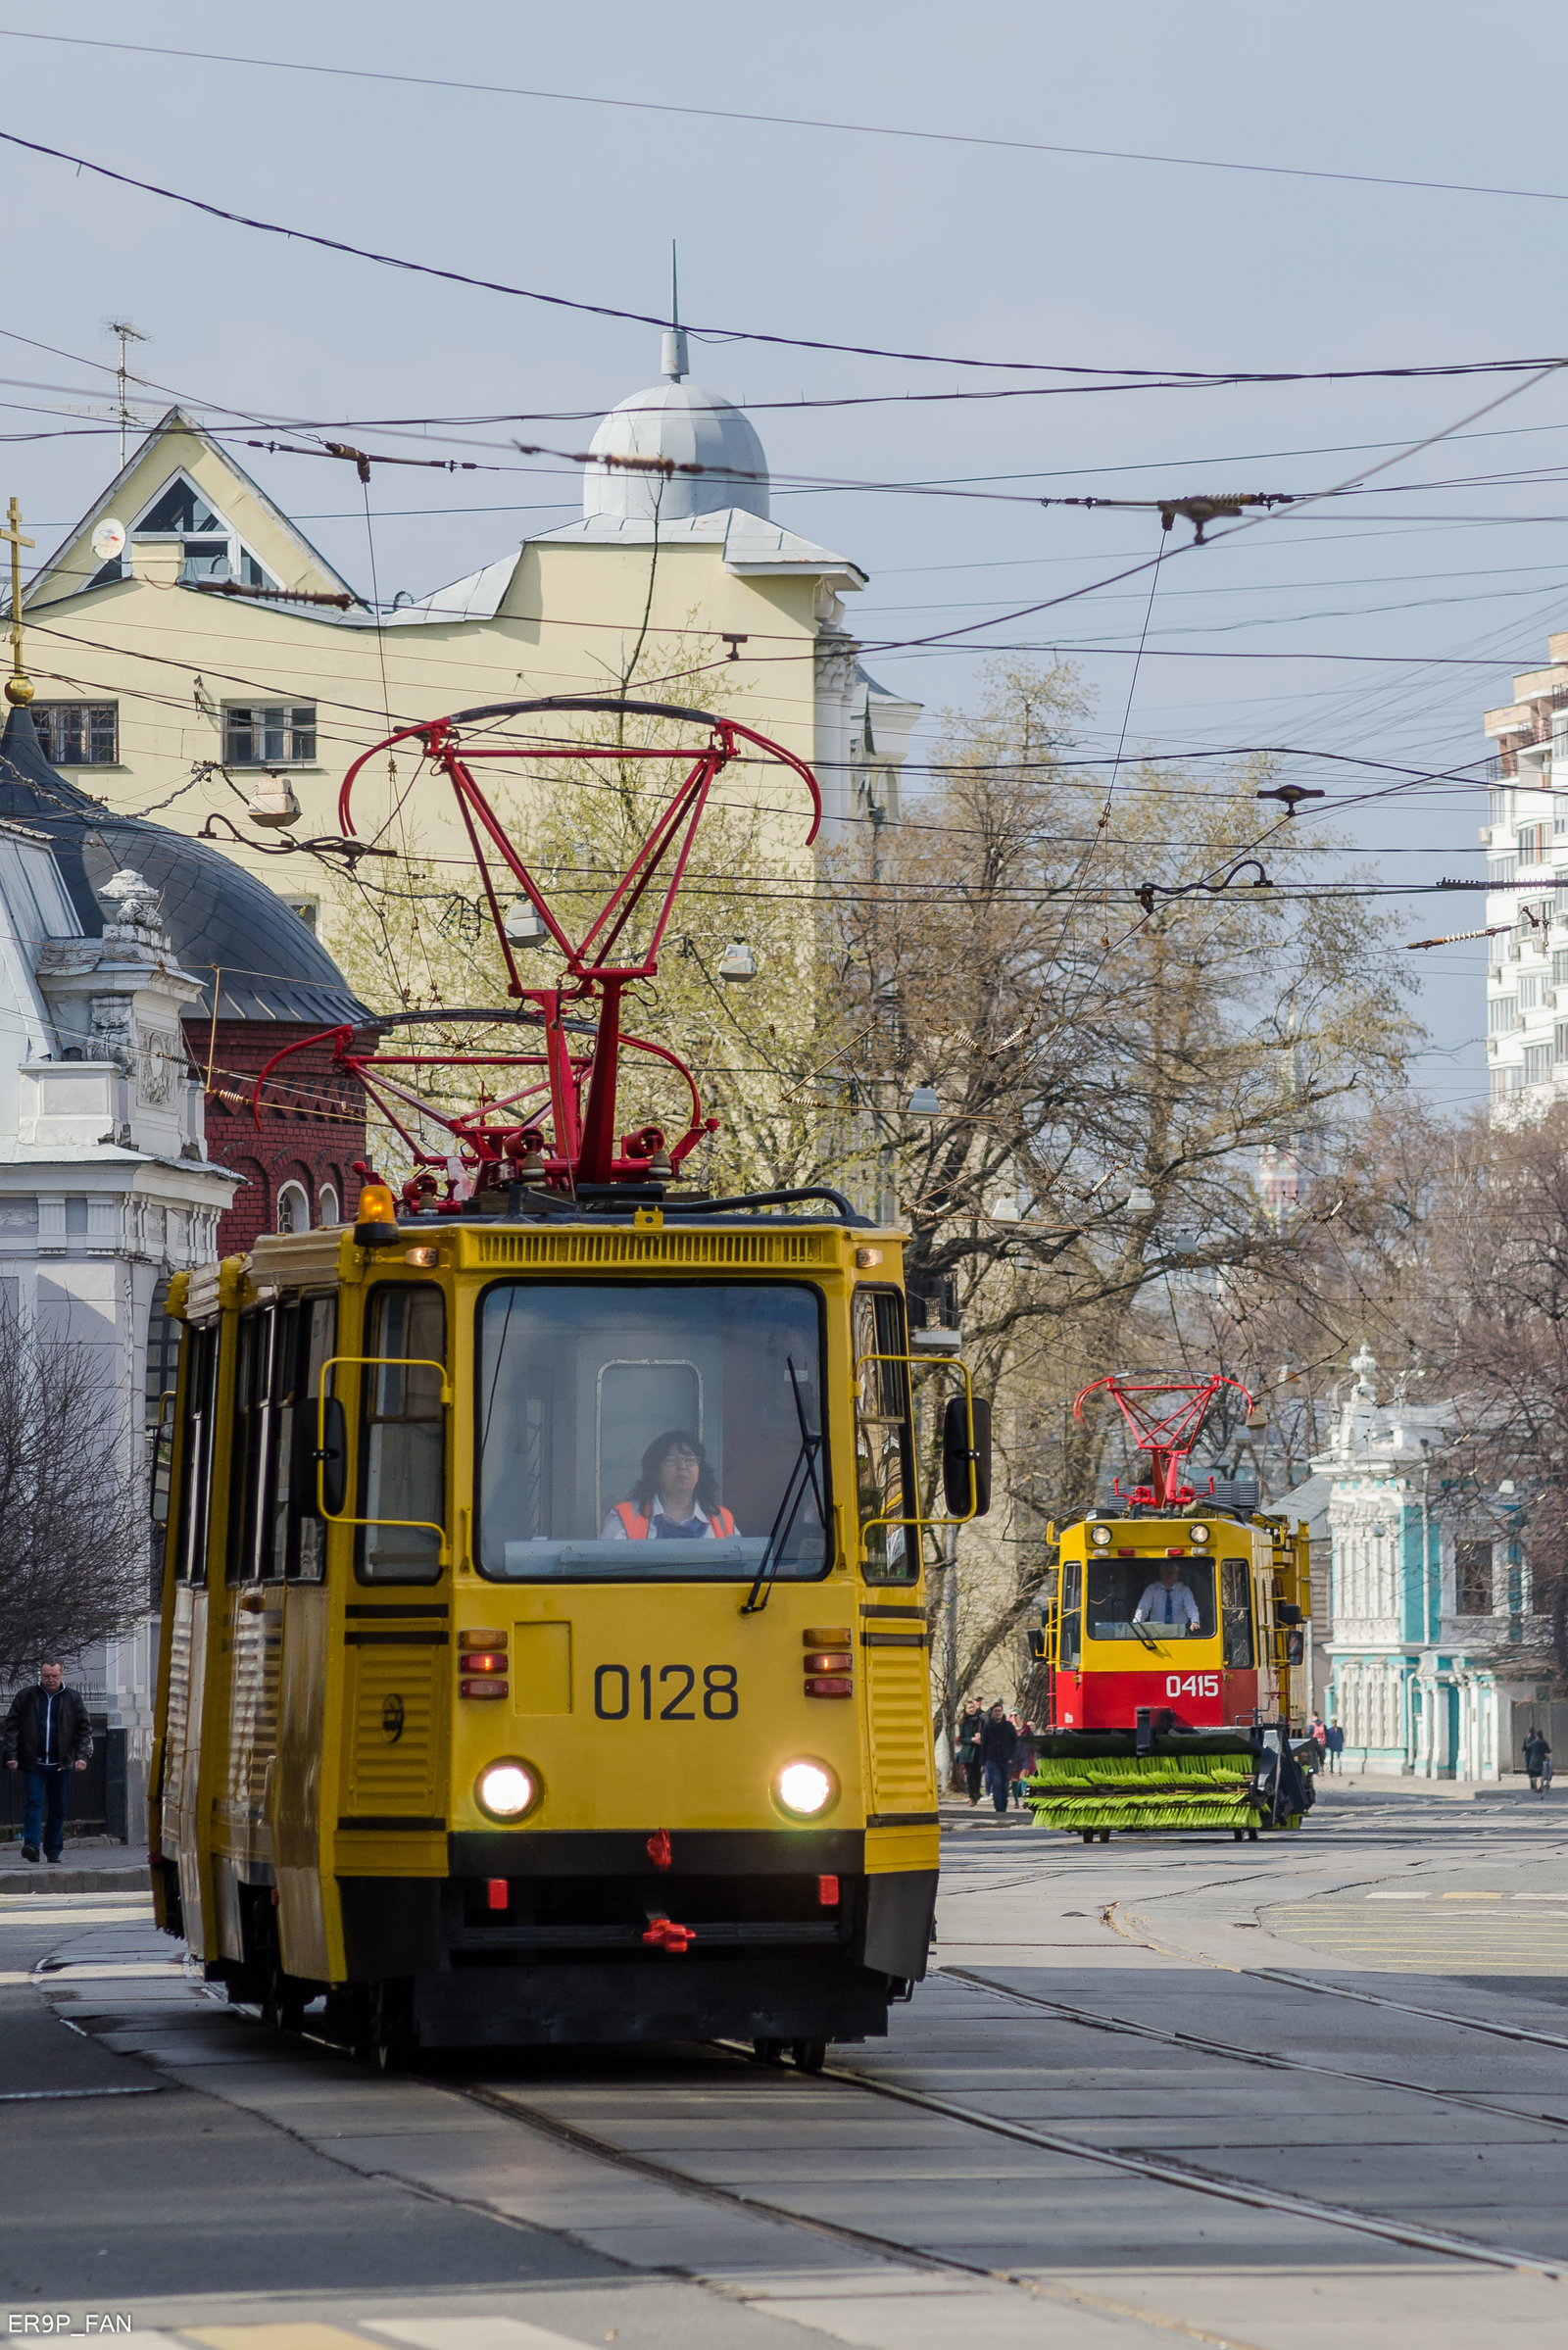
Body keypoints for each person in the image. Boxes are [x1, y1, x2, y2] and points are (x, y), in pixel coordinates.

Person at [3, 1660, 92, 1864]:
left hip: (62, 1762)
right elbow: (11, 1726)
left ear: (62, 1675)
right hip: (34, 1762)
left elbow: (83, 1729)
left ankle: (53, 1850)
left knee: (57, 1807)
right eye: (46, 1676)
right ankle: (32, 1846)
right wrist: (12, 1755)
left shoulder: (72, 1698)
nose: (50, 1680)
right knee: (33, 1802)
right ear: (40, 1675)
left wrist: (81, 1756)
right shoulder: (27, 1696)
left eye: (54, 1676)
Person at [603, 1431, 736, 1540]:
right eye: (671, 1459)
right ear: (655, 1470)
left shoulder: (722, 1519)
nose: (682, 1466)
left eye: (690, 1459)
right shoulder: (625, 1517)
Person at [1132, 1559, 1202, 1633]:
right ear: (1160, 1574)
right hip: (1156, 1633)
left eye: (1172, 1573)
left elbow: (1191, 1607)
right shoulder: (1152, 1590)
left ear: (1177, 1574)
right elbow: (1142, 1609)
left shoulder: (1184, 1590)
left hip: (1179, 1633)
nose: (1169, 1575)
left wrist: (1195, 1621)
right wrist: (1136, 1626)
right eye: (1166, 1573)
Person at [978, 1702, 1017, 1816]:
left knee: (1004, 1784)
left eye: (999, 1711)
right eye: (995, 1711)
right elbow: (984, 1745)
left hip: (1006, 1759)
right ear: (992, 1713)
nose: (998, 1713)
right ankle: (998, 1808)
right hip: (992, 1759)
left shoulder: (1008, 1726)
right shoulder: (988, 1727)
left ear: (1002, 1712)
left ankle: (1003, 1806)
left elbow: (1015, 1743)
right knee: (996, 1783)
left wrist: (1012, 1758)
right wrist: (983, 1763)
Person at [956, 1699, 984, 1804]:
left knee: (978, 1775)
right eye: (969, 1708)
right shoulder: (962, 1722)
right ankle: (972, 1795)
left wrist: (981, 1737)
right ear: (965, 1710)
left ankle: (976, 1793)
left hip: (978, 1751)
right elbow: (961, 1738)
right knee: (970, 1775)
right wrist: (971, 1739)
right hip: (968, 1752)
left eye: (973, 1707)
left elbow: (985, 1733)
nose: (971, 1709)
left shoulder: (981, 1721)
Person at [1524, 1728, 1552, 1794]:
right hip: (1541, 1759)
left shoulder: (1534, 1742)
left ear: (1536, 1735)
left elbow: (1527, 1746)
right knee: (1542, 1773)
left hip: (1533, 1759)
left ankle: (1535, 1787)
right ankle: (1541, 1787)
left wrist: (1528, 1738)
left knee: (1533, 1774)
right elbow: (1548, 1751)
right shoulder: (1544, 1742)